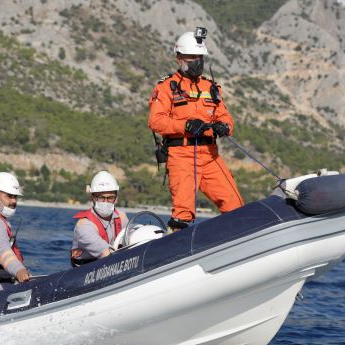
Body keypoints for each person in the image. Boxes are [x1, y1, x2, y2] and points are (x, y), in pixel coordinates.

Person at [148, 27, 244, 231]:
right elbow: (155, 121)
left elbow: (225, 115)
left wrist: (224, 126)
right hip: (181, 155)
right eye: (192, 58)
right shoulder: (166, 87)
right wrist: (186, 125)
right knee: (183, 214)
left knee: (235, 205)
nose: (197, 62)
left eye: (200, 58)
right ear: (179, 58)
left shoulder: (211, 87)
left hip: (210, 155)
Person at [70, 171, 129, 267]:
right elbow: (105, 252)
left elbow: (131, 235)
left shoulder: (121, 216)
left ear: (116, 199)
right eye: (101, 198)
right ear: (93, 198)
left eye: (110, 198)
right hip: (87, 269)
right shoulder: (84, 226)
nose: (106, 202)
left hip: (112, 263)